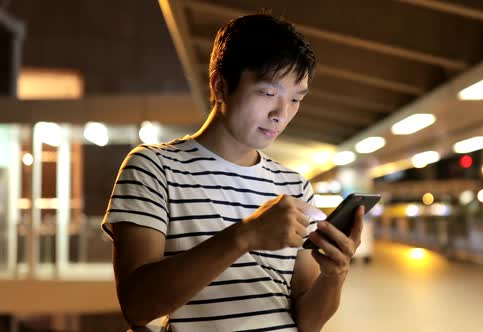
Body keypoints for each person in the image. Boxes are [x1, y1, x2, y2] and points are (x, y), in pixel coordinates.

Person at [102, 13, 364, 332]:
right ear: (220, 85)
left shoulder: (293, 185)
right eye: (268, 94)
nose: (281, 115)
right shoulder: (153, 167)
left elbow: (308, 322)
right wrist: (244, 235)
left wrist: (334, 274)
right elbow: (137, 305)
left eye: (296, 99)